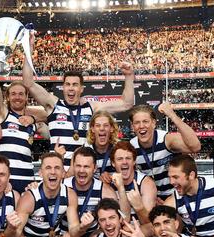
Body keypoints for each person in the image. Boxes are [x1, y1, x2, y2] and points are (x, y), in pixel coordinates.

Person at [22, 32, 135, 171]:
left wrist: (129, 76)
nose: (71, 88)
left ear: (81, 88)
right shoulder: (54, 105)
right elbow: (28, 82)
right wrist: (29, 48)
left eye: (75, 85)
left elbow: (126, 103)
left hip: (84, 172)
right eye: (67, 84)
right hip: (58, 172)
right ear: (62, 87)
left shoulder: (91, 107)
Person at [0, 73, 48, 193]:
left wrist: (34, 119)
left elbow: (50, 115)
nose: (17, 97)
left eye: (21, 94)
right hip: (5, 179)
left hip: (28, 179)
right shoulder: (3, 115)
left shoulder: (32, 123)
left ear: (26, 97)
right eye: (13, 94)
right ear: (8, 97)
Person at [129, 103, 201, 203]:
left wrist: (172, 115)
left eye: (145, 121)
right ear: (132, 126)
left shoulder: (166, 140)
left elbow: (196, 146)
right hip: (151, 198)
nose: (141, 126)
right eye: (137, 122)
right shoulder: (131, 147)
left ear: (154, 123)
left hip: (178, 196)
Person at [110, 141, 156, 223]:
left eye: (128, 158)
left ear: (134, 161)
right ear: (113, 163)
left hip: (143, 231)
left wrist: (139, 208)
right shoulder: (109, 185)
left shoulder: (146, 183)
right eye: (119, 159)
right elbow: (120, 221)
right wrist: (121, 189)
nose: (124, 162)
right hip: (120, 232)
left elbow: (149, 223)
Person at [85, 111, 118, 183]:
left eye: (106, 125)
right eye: (98, 125)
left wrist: (111, 177)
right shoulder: (85, 151)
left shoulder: (119, 150)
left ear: (112, 128)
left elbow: (127, 175)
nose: (102, 128)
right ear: (92, 129)